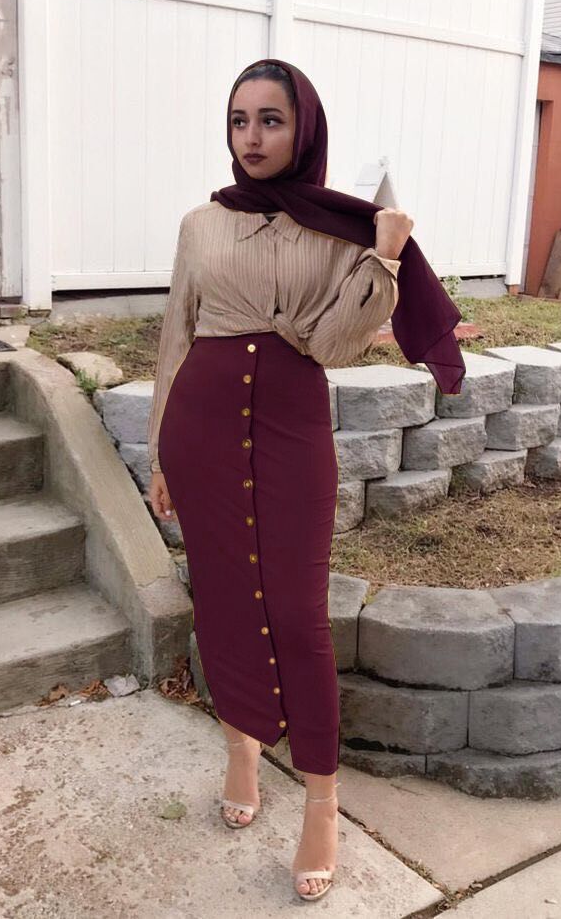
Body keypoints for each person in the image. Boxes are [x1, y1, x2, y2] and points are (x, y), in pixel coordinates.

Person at [147, 59, 429, 903]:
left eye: (271, 119)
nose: (253, 136)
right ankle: (240, 745)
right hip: (199, 428)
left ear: (303, 127)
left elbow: (334, 344)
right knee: (223, 598)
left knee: (300, 616)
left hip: (291, 427)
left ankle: (321, 798)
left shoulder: (341, 229)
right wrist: (160, 451)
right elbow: (177, 332)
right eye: (240, 120)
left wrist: (384, 257)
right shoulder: (202, 224)